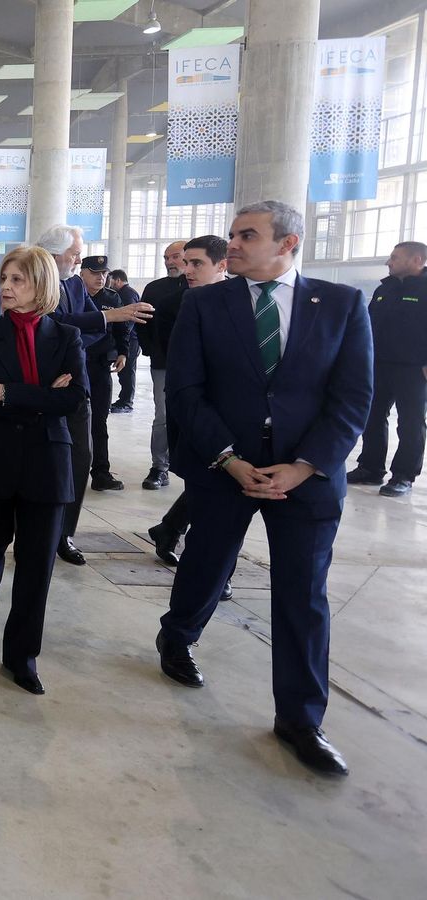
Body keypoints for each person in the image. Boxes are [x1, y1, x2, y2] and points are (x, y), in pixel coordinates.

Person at [157, 201, 372, 777]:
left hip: (306, 478)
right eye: (231, 234)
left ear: (288, 243)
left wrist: (305, 466)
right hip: (226, 466)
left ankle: (301, 719)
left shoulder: (342, 305)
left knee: (304, 594)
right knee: (207, 560)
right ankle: (177, 638)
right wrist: (228, 458)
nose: (233, 244)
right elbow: (186, 392)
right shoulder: (205, 303)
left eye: (247, 235)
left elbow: (353, 398)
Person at [0, 246, 88, 695]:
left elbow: (74, 399)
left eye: (17, 280)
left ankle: (21, 655)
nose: (6, 287)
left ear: (42, 285)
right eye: (4, 279)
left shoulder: (65, 337)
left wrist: (7, 393)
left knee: (36, 563)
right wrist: (40, 392)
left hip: (47, 459)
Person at [34, 225, 153, 565]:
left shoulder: (72, 282)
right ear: (56, 253)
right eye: (75, 253)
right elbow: (57, 321)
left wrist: (73, 346)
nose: (78, 258)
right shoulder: (33, 278)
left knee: (79, 459)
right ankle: (36, 532)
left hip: (76, 384)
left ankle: (64, 535)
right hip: (39, 388)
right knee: (40, 465)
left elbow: (82, 327)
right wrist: (104, 318)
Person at [145, 235, 237, 602]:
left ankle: (171, 530)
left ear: (221, 265)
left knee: (217, 485)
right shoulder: (179, 300)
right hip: (194, 404)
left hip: (230, 408)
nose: (186, 270)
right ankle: (209, 564)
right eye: (185, 262)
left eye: (195, 263)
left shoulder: (242, 300)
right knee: (211, 482)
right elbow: (154, 332)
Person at [348, 240, 427, 497]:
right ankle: (370, 468)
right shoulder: (385, 289)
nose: (388, 261)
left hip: (414, 369)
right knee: (371, 417)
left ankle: (403, 475)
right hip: (378, 365)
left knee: (410, 423)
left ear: (417, 260)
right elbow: (367, 326)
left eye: (394, 257)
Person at [135, 241, 189, 489]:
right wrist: (150, 350)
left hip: (202, 367)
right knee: (163, 416)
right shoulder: (155, 289)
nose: (169, 262)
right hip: (163, 364)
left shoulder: (209, 288)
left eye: (175, 257)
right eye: (166, 257)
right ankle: (159, 467)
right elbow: (142, 322)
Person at [79, 256, 131, 491]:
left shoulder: (112, 297)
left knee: (99, 421)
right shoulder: (71, 295)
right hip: (74, 367)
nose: (101, 277)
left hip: (100, 367)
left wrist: (122, 352)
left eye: (104, 273)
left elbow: (121, 328)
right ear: (82, 273)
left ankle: (101, 473)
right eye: (95, 273)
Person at [107, 269, 142, 412]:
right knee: (123, 372)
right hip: (125, 339)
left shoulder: (128, 294)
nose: (108, 283)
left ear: (118, 280)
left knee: (127, 371)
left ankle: (126, 402)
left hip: (131, 340)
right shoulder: (121, 294)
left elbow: (128, 319)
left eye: (110, 280)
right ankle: (124, 400)